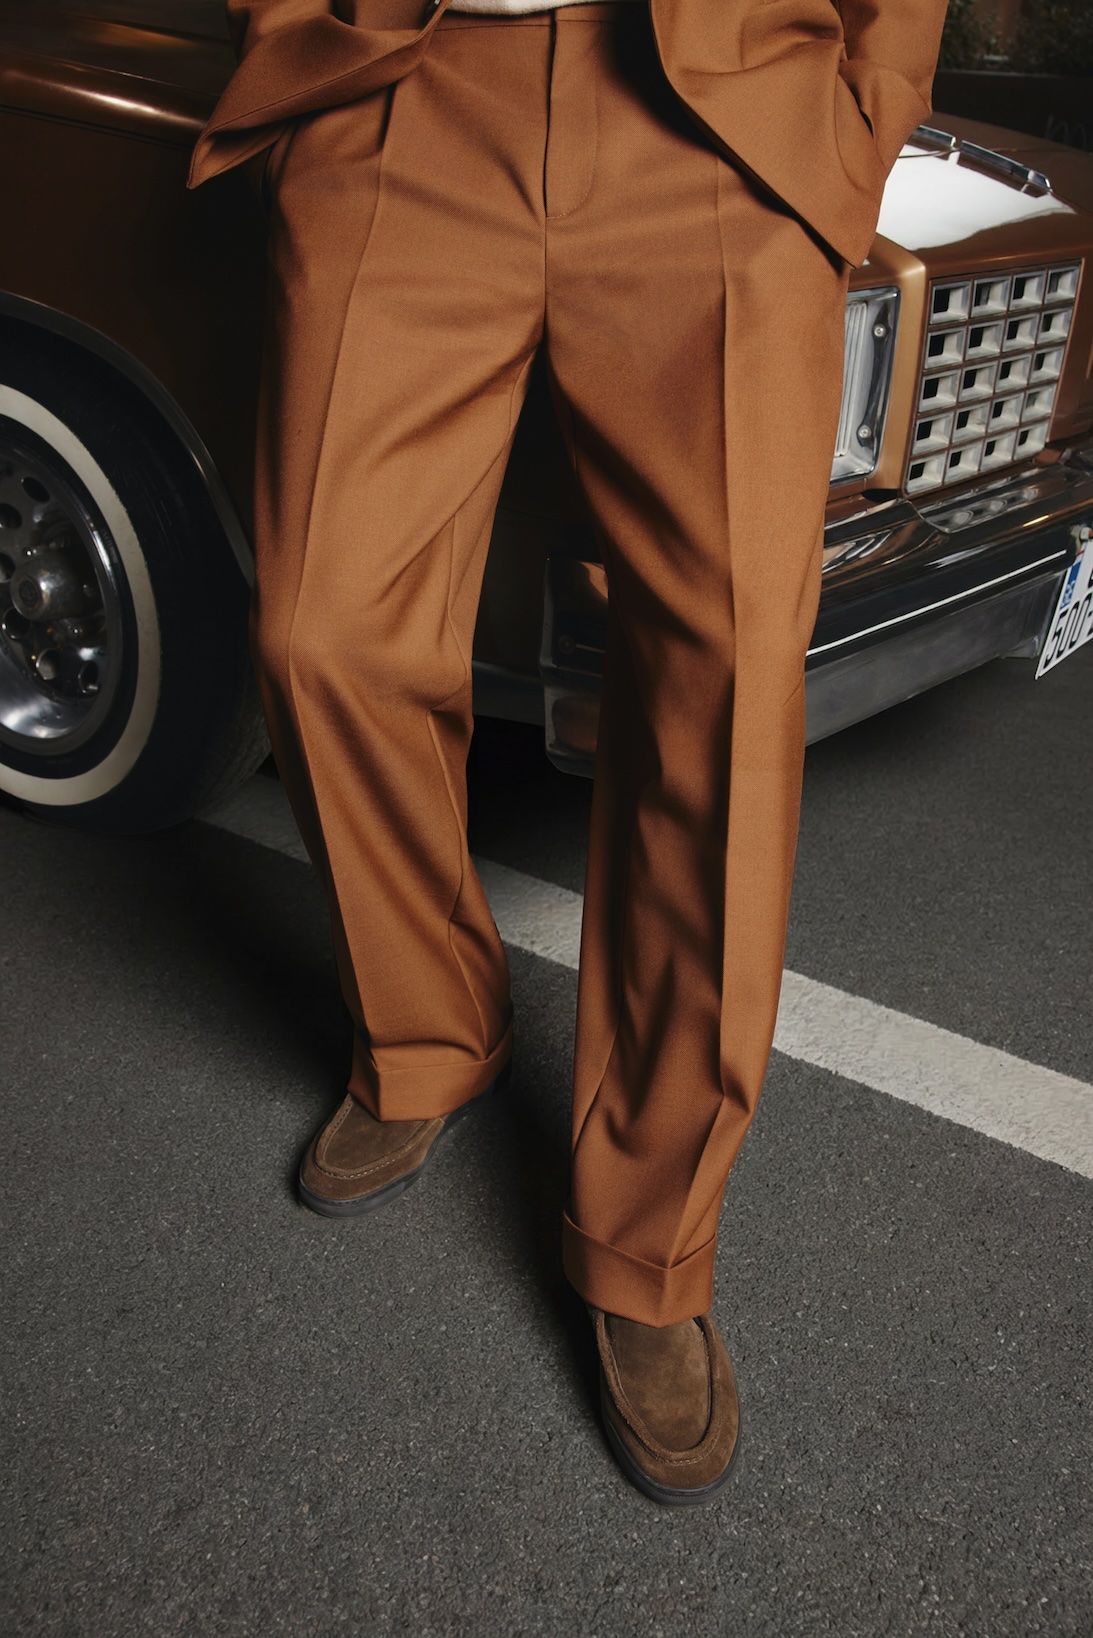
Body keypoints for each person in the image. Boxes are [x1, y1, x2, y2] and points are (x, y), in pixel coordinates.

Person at [188, 0, 949, 1505]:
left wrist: (855, 119)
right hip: (411, 96)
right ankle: (426, 1030)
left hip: (712, 110)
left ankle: (647, 1241)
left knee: (724, 686)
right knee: (321, 631)